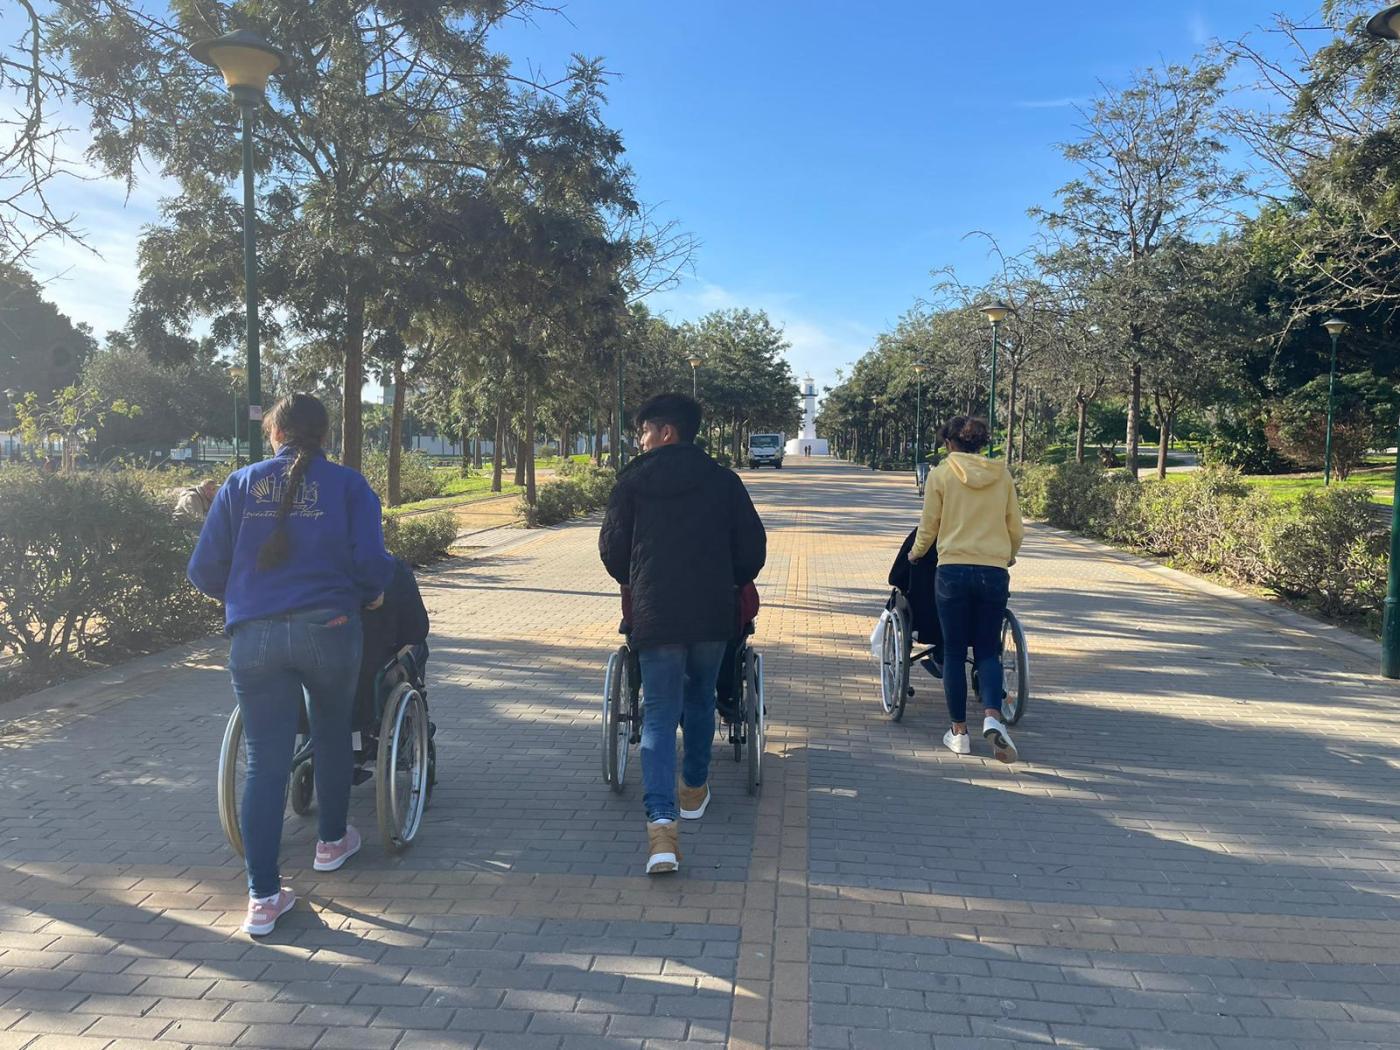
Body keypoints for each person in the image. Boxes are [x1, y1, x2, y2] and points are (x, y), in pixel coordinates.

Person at [188, 393, 395, 936]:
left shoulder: (239, 484)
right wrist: (368, 593)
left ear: (274, 434)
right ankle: (331, 842)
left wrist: (244, 598)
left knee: (264, 762)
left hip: (253, 635)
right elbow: (373, 562)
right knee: (331, 732)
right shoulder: (350, 486)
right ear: (325, 436)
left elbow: (205, 569)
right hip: (330, 628)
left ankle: (262, 896)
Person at [599, 392, 766, 875]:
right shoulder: (725, 482)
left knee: (656, 715)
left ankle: (662, 831)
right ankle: (693, 788)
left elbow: (612, 551)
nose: (641, 439)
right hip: (712, 614)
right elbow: (752, 551)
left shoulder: (631, 483)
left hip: (656, 614)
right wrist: (726, 575)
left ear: (665, 432)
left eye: (644, 430)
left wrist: (637, 579)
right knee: (700, 700)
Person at [910, 416, 1024, 763]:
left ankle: (959, 732)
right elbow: (1015, 527)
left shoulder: (942, 474)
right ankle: (992, 716)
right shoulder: (1001, 475)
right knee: (988, 650)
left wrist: (915, 555)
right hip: (993, 569)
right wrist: (1008, 556)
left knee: (956, 652)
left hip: (953, 569)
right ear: (981, 444)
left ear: (949, 444)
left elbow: (929, 525)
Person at [354, 556, 430, 733]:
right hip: (372, 677)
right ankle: (411, 725)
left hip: (315, 672)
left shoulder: (307, 571)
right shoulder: (391, 568)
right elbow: (417, 630)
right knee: (418, 649)